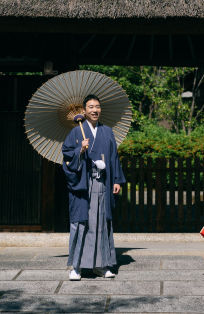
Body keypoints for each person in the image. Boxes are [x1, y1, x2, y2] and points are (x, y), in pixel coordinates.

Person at [62, 94, 125, 281]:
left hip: (103, 183)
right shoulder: (76, 132)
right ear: (84, 110)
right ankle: (76, 267)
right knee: (81, 223)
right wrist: (79, 150)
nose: (95, 110)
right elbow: (66, 155)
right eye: (91, 107)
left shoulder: (108, 132)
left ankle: (101, 265)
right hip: (83, 184)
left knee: (101, 223)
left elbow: (114, 157)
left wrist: (116, 180)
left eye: (97, 106)